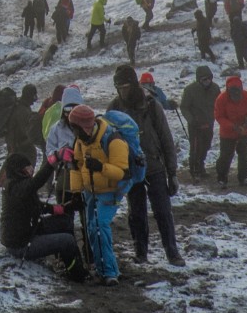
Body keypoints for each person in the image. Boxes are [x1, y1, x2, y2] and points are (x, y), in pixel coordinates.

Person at [62, 101, 142, 283]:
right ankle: (102, 269)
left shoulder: (114, 140)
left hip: (111, 190)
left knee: (99, 226)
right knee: (92, 228)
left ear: (84, 126)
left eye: (75, 128)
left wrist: (100, 167)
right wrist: (76, 192)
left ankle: (109, 273)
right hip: (91, 190)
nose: (74, 132)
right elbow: (77, 165)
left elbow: (123, 172)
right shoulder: (81, 140)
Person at [113, 65, 183, 265]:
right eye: (118, 87)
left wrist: (173, 172)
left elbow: (166, 139)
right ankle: (140, 252)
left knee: (163, 211)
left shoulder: (152, 105)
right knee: (136, 213)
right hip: (130, 170)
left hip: (154, 166)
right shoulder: (115, 108)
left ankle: (172, 252)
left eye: (125, 86)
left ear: (134, 85)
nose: (122, 91)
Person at [0, 152, 85, 281]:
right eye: (28, 167)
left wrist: (63, 208)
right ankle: (77, 275)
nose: (31, 169)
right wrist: (52, 162)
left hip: (31, 229)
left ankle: (66, 261)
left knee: (65, 221)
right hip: (21, 245)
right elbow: (35, 183)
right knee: (67, 240)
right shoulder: (15, 187)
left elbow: (36, 206)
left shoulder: (18, 184)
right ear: (19, 170)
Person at [213, 74, 247, 187]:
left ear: (241, 89)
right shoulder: (221, 99)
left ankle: (243, 178)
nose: (236, 96)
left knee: (244, 156)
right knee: (226, 156)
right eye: (233, 93)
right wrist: (232, 126)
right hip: (228, 133)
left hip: (244, 131)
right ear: (229, 91)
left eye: (238, 92)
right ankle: (221, 178)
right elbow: (219, 116)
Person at [180, 65, 218, 178]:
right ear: (199, 80)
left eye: (209, 78)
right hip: (195, 125)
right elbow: (184, 107)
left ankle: (201, 166)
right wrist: (191, 119)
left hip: (209, 123)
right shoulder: (190, 90)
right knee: (195, 147)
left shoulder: (215, 88)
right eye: (204, 79)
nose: (207, 81)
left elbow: (219, 104)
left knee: (206, 145)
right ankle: (194, 169)